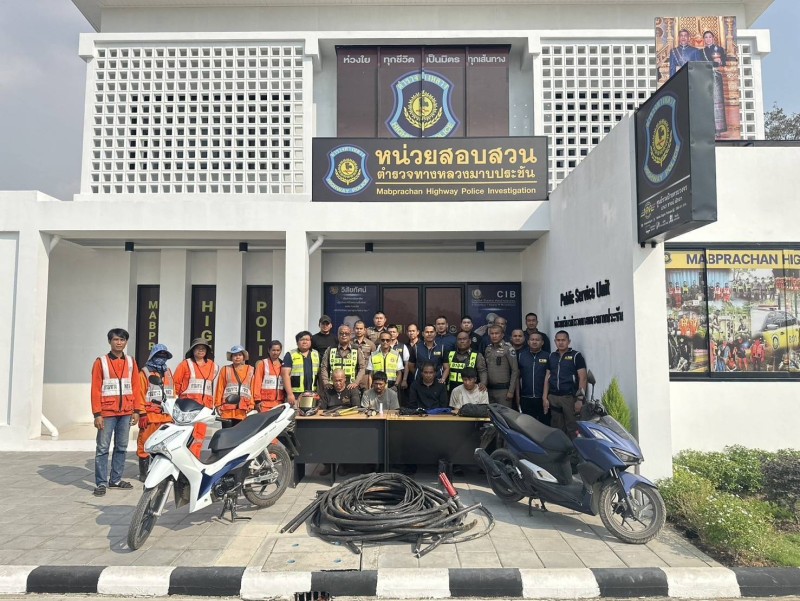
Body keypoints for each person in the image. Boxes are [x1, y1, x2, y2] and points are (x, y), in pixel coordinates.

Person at [91, 328, 143, 496]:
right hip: (107, 412)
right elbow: (95, 389)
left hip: (126, 412)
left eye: (122, 340)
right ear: (110, 341)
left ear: (126, 342)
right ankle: (101, 483)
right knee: (102, 448)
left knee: (121, 447)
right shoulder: (101, 362)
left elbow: (136, 387)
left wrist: (136, 410)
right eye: (115, 339)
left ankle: (115, 479)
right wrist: (97, 414)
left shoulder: (131, 362)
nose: (119, 342)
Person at [173, 338, 217, 457]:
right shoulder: (185, 364)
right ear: (192, 350)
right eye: (198, 348)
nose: (201, 350)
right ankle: (182, 459)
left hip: (204, 408)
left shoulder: (213, 366)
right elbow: (175, 384)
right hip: (187, 408)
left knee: (199, 436)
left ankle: (194, 459)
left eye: (203, 348)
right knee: (185, 435)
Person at [136, 343, 174, 481]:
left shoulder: (168, 372)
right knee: (145, 444)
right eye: (159, 355)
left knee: (164, 446)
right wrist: (141, 413)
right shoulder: (145, 373)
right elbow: (139, 394)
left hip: (166, 417)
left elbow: (172, 394)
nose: (161, 358)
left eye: (164, 356)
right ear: (152, 356)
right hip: (150, 416)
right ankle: (144, 473)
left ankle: (160, 471)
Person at [542, 330, 587, 440]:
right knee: (557, 428)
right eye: (558, 340)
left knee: (573, 427)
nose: (561, 342)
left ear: (569, 341)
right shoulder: (552, 356)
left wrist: (580, 399)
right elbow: (547, 378)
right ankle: (561, 450)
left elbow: (583, 378)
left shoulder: (576, 356)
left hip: (569, 398)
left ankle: (575, 449)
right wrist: (544, 398)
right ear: (555, 341)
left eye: (563, 340)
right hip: (553, 397)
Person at [317, 368, 357, 476]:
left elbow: (357, 409)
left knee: (347, 439)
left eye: (340, 380)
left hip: (348, 424)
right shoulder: (327, 391)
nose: (338, 383)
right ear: (332, 380)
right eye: (335, 380)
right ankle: (328, 465)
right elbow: (321, 409)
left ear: (345, 379)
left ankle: (343, 465)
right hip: (329, 423)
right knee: (321, 437)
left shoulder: (351, 390)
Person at [319, 324, 367, 401]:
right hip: (332, 387)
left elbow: (362, 368)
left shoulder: (357, 350)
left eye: (346, 333)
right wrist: (326, 382)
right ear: (338, 335)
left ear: (350, 335)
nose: (344, 335)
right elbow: (324, 367)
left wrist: (356, 382)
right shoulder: (330, 349)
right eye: (341, 333)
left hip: (351, 387)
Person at [214, 345, 255, 427]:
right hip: (227, 409)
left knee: (239, 433)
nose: (237, 357)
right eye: (235, 355)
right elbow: (220, 388)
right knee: (226, 433)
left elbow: (252, 389)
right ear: (231, 357)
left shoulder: (250, 370)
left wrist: (251, 404)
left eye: (240, 355)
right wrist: (217, 404)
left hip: (243, 409)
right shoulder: (225, 369)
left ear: (243, 357)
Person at [517, 332, 550, 425]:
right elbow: (517, 378)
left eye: (537, 340)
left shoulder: (548, 356)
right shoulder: (521, 355)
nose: (534, 342)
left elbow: (549, 377)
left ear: (542, 342)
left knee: (544, 425)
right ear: (528, 342)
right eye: (532, 340)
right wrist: (518, 397)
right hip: (526, 397)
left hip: (542, 398)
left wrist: (545, 398)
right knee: (527, 425)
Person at [281, 331, 320, 408]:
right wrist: (290, 394)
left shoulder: (316, 354)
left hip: (312, 394)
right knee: (295, 414)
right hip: (296, 395)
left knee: (310, 414)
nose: (305, 342)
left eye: (307, 340)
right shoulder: (290, 354)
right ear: (297, 342)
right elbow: (285, 374)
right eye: (302, 340)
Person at [484, 324, 519, 407]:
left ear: (502, 335)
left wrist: (511, 391)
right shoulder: (488, 349)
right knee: (490, 413)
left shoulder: (508, 349)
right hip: (490, 390)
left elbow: (515, 371)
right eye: (492, 333)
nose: (494, 336)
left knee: (504, 414)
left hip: (504, 390)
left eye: (496, 333)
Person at [406, 324, 450, 389]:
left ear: (435, 333)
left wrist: (443, 379)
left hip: (437, 382)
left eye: (431, 332)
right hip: (420, 382)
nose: (429, 334)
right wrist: (419, 374)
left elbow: (446, 367)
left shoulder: (442, 348)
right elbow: (410, 366)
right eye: (427, 332)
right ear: (423, 334)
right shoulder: (416, 348)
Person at [702, 30, 728, 134]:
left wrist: (721, 62)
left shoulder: (720, 49)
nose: (708, 39)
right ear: (704, 39)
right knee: (707, 102)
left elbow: (724, 62)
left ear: (713, 38)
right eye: (706, 37)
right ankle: (708, 128)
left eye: (710, 37)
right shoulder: (701, 52)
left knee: (718, 101)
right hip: (705, 78)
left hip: (716, 76)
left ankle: (719, 128)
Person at [253, 340, 286, 411]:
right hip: (264, 403)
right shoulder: (262, 364)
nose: (275, 352)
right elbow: (257, 382)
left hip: (279, 403)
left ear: (281, 351)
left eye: (278, 350)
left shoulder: (283, 365)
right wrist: (257, 400)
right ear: (269, 350)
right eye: (273, 350)